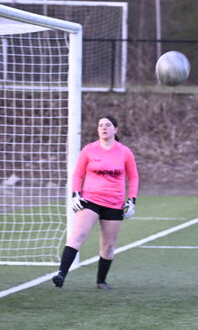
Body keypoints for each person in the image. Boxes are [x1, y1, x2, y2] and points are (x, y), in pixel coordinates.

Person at [52, 115, 139, 289]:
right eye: (100, 125)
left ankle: (101, 281)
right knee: (78, 235)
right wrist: (75, 195)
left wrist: (132, 200)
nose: (103, 128)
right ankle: (61, 274)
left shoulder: (124, 152)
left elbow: (133, 177)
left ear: (115, 129)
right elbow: (78, 174)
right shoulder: (89, 150)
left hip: (114, 203)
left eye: (107, 125)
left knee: (108, 246)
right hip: (91, 199)